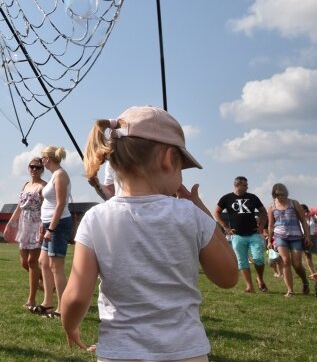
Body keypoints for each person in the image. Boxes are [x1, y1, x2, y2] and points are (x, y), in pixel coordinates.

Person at [62, 106, 238, 360]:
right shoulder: (190, 214)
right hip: (186, 352)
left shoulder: (95, 219)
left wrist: (71, 327)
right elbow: (229, 275)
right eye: (181, 167)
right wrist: (201, 209)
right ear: (168, 159)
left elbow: (77, 296)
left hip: (121, 353)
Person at [3, 156, 46, 311]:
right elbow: (19, 207)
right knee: (24, 262)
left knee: (33, 261)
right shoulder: (26, 185)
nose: (34, 169)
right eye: (32, 166)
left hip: (37, 223)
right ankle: (49, 282)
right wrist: (10, 223)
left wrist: (44, 226)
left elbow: (48, 208)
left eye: (37, 167)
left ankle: (31, 299)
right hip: (24, 223)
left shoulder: (44, 186)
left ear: (43, 169)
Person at [34, 145, 72, 319]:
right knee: (43, 262)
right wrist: (44, 225)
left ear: (47, 159)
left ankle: (62, 308)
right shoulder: (54, 176)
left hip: (58, 224)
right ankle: (47, 302)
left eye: (42, 159)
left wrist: (51, 228)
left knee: (56, 267)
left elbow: (60, 204)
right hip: (49, 224)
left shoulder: (61, 175)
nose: (41, 162)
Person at [213, 176, 269, 293]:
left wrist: (261, 226)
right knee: (242, 261)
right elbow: (216, 212)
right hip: (237, 236)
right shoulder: (226, 198)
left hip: (254, 234)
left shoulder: (253, 197)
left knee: (258, 258)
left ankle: (260, 279)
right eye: (244, 185)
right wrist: (225, 227)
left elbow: (263, 212)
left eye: (246, 185)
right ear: (237, 185)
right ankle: (249, 286)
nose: (247, 187)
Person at [267, 183, 311, 297]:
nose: (281, 196)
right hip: (280, 236)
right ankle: (290, 291)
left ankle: (305, 282)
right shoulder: (271, 207)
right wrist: (269, 241)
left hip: (296, 236)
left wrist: (307, 236)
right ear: (274, 194)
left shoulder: (294, 203)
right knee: (285, 261)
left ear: (286, 193)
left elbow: (303, 221)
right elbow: (271, 225)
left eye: (282, 194)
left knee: (297, 265)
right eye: (277, 194)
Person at [301, 203, 315, 277]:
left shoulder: (312, 216)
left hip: (314, 236)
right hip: (304, 237)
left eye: (303, 209)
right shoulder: (299, 218)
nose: (302, 211)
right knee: (308, 255)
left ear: (306, 209)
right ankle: (313, 273)